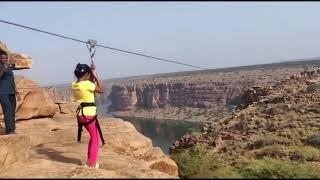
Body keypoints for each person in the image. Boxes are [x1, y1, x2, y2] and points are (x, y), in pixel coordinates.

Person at [72, 62, 105, 168]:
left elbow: (85, 82)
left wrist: (89, 72)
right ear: (86, 74)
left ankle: (90, 160)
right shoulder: (87, 84)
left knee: (93, 137)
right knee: (95, 139)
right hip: (89, 115)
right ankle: (91, 163)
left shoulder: (75, 85)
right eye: (88, 74)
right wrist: (95, 74)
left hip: (81, 115)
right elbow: (102, 90)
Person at [0, 49, 21, 135]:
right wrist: (3, 70)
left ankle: (13, 129)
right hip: (3, 93)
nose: (4, 59)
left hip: (11, 92)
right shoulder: (2, 67)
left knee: (12, 112)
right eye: (2, 58)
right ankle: (9, 130)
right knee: (7, 111)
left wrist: (17, 92)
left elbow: (12, 80)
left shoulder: (9, 67)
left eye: (5, 58)